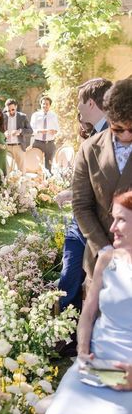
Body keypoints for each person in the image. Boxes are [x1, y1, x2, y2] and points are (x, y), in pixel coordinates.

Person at [39, 190, 132, 414]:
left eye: (121, 220)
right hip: (96, 361)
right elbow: (88, 314)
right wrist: (82, 354)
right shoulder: (106, 259)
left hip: (128, 373)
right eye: (113, 218)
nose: (113, 227)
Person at [57, 78, 112, 313]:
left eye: (80, 102)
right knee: (69, 276)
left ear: (90, 103)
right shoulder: (94, 133)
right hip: (79, 222)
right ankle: (65, 333)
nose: (77, 107)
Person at [73, 78, 132, 280]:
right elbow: (81, 205)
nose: (125, 135)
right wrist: (104, 249)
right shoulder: (89, 149)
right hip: (101, 261)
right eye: (118, 128)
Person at [30, 96, 59, 172]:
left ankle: (47, 183)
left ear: (50, 105)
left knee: (48, 167)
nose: (45, 106)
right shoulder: (35, 115)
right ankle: (37, 183)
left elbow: (57, 129)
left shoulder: (53, 115)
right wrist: (40, 131)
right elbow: (31, 129)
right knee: (36, 166)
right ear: (41, 104)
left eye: (47, 104)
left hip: (50, 144)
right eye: (43, 104)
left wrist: (54, 131)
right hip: (38, 143)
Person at [4, 98, 32, 173]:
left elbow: (30, 131)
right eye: (8, 110)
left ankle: (22, 185)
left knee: (21, 170)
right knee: (7, 170)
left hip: (19, 146)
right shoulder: (3, 117)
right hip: (7, 147)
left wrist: (20, 131)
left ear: (16, 107)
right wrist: (4, 133)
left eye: (12, 109)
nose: (11, 112)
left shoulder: (22, 116)